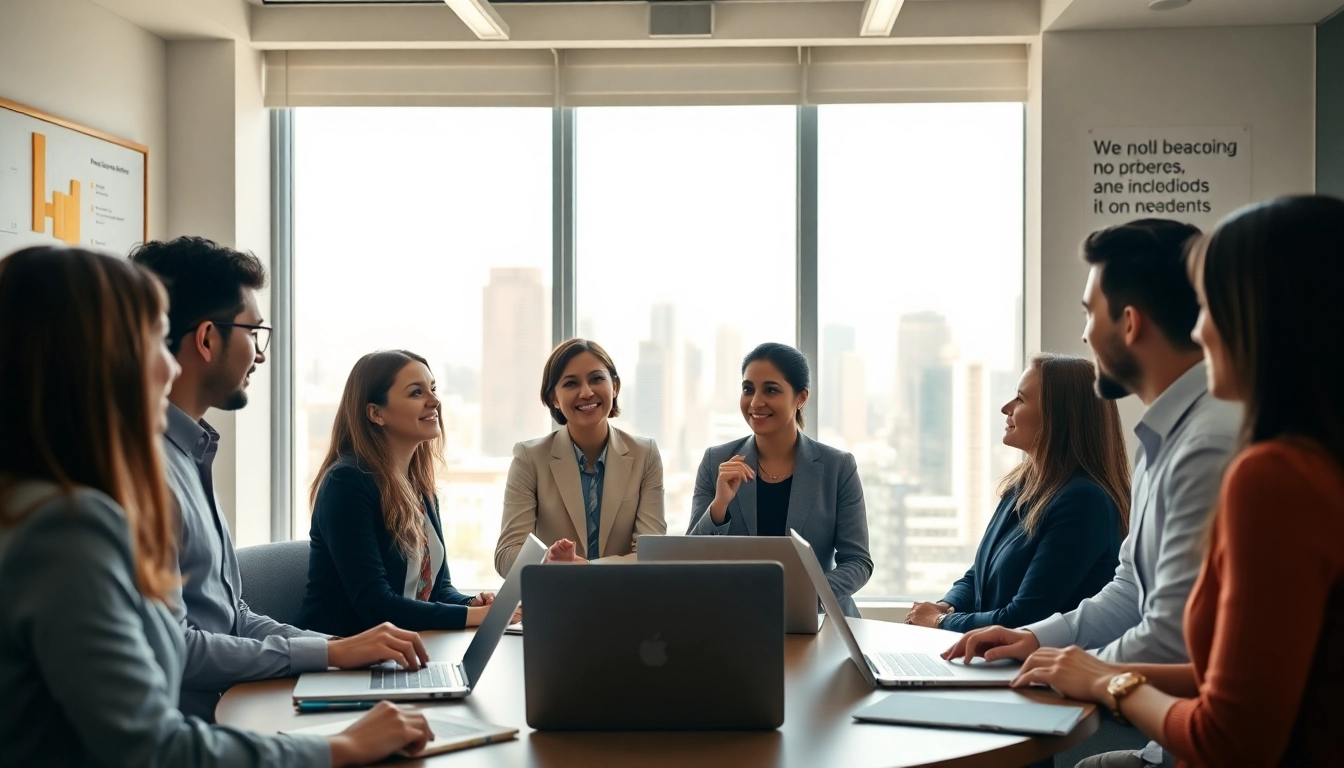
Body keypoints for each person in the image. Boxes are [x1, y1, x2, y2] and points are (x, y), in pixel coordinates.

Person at [0, 246, 433, 767]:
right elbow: (153, 746)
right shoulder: (67, 526)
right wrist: (341, 746)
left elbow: (221, 621)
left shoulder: (96, 493)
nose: (169, 364)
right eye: (154, 339)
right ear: (102, 361)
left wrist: (333, 652)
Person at [1000, 195, 1344, 767]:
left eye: (1210, 306)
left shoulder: (1269, 473)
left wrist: (1106, 680)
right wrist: (1058, 654)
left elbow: (1231, 736)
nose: (1200, 332)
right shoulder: (1282, 457)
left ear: (1265, 319)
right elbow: (1216, 661)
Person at [942, 219, 1240, 768]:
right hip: (1165, 737)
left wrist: (1084, 671)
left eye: (1088, 313)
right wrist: (1037, 641)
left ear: (1129, 322)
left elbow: (1170, 635)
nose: (1083, 336)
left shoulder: (1207, 445)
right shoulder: (1162, 438)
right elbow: (1130, 590)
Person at [132, 237, 425, 722]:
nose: (260, 355)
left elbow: (235, 618)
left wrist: (338, 649)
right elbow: (176, 646)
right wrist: (330, 654)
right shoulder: (146, 473)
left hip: (241, 706)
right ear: (207, 339)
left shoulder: (192, 456)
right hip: (199, 728)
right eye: (254, 332)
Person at [904, 354, 1129, 632]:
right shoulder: (1021, 486)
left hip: (1036, 660)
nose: (1006, 408)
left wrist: (940, 621)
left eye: (1020, 399)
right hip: (991, 655)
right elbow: (978, 575)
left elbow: (1023, 618)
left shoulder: (1084, 502)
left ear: (1057, 416)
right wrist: (945, 606)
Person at [301, 350, 511, 636]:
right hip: (339, 652)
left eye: (433, 389)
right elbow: (377, 606)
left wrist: (471, 603)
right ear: (376, 413)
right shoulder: (346, 482)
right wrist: (476, 616)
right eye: (416, 392)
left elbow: (438, 590)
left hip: (401, 648)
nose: (434, 401)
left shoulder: (418, 484)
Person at [687, 342, 872, 617]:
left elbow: (858, 562)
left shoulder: (838, 467)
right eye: (748, 389)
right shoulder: (716, 462)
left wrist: (804, 597)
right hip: (736, 619)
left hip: (818, 620)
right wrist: (719, 505)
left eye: (770, 390)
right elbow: (691, 558)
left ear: (801, 398)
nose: (755, 402)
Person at [494, 338, 667, 575]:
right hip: (555, 596)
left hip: (624, 596)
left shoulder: (645, 455)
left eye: (596, 379)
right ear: (554, 398)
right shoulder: (530, 458)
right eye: (571, 383)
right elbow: (506, 556)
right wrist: (548, 561)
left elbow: (652, 555)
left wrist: (588, 569)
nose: (586, 392)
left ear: (615, 386)